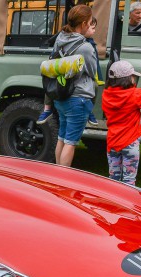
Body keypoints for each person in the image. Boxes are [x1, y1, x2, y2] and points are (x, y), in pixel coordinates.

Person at [50, 4, 97, 167]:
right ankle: (64, 179)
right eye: (90, 22)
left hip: (61, 95)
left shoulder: (60, 39)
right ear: (83, 24)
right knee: (71, 142)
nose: (91, 25)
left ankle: (57, 174)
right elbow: (92, 71)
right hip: (79, 98)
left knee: (62, 138)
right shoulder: (85, 47)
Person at [38, 17, 102, 127]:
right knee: (50, 86)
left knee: (94, 86)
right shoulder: (67, 38)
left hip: (79, 71)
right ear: (83, 26)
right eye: (92, 28)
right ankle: (47, 109)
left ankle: (89, 110)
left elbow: (92, 64)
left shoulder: (89, 43)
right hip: (63, 68)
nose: (94, 31)